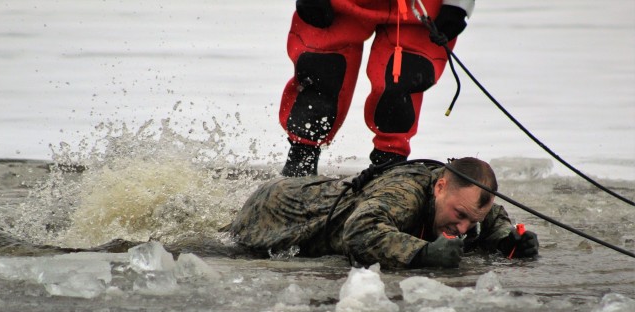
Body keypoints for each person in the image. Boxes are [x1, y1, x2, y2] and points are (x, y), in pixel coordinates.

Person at [280, 0, 475, 176]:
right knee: (321, 72)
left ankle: (388, 165)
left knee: (401, 82)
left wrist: (458, 5)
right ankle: (301, 159)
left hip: (418, 7)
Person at [230, 157, 539, 268]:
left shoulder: (464, 204)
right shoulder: (405, 195)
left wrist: (504, 239)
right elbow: (359, 232)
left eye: (471, 221)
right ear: (440, 187)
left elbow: (491, 212)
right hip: (276, 209)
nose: (462, 227)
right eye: (459, 215)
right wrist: (423, 254)